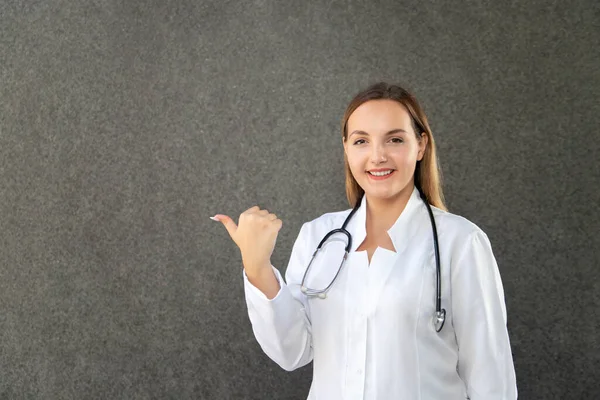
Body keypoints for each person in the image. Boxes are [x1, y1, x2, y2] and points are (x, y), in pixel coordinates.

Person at [212, 82, 517, 399]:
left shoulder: (462, 242)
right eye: (361, 141)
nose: (377, 156)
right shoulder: (319, 236)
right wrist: (257, 266)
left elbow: (490, 376)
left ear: (421, 145)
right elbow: (292, 352)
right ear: (346, 148)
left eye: (395, 139)